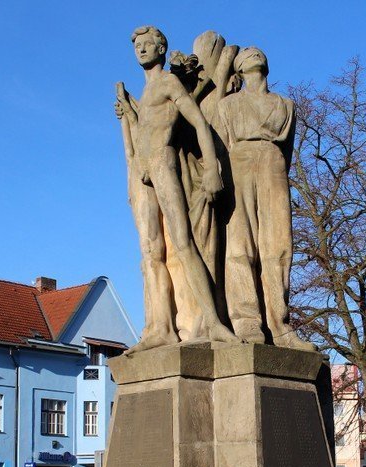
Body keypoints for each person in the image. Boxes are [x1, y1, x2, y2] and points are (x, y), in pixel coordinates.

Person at [114, 26, 238, 352]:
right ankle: (161, 328)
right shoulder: (144, 95)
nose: (141, 49)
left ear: (161, 49)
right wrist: (130, 114)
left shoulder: (168, 82)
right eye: (137, 45)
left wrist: (212, 166)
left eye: (147, 44)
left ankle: (212, 321)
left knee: (183, 243)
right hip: (143, 170)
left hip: (162, 162)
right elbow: (142, 134)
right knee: (153, 252)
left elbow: (198, 122)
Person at [217, 47, 315, 350]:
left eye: (257, 52)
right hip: (239, 163)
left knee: (278, 245)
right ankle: (247, 322)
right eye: (246, 54)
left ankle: (280, 325)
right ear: (239, 69)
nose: (253, 54)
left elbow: (288, 150)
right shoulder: (228, 106)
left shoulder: (286, 105)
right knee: (239, 245)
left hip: (273, 166)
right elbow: (221, 146)